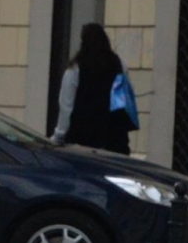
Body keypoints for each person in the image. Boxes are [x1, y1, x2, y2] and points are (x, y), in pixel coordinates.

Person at [53, 24, 132, 152]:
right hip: (115, 140)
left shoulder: (75, 69)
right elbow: (124, 101)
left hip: (82, 141)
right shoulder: (119, 64)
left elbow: (66, 108)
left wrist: (58, 136)